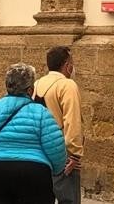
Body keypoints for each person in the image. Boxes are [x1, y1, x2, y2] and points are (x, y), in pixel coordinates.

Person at [0, 63, 66, 204]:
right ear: (30, 90)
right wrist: (56, 169)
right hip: (33, 172)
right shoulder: (41, 113)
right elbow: (56, 147)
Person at [34, 46, 83, 204]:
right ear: (67, 65)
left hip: (39, 151)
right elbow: (72, 121)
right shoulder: (67, 85)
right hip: (63, 153)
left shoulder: (36, 84)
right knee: (69, 200)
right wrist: (74, 154)